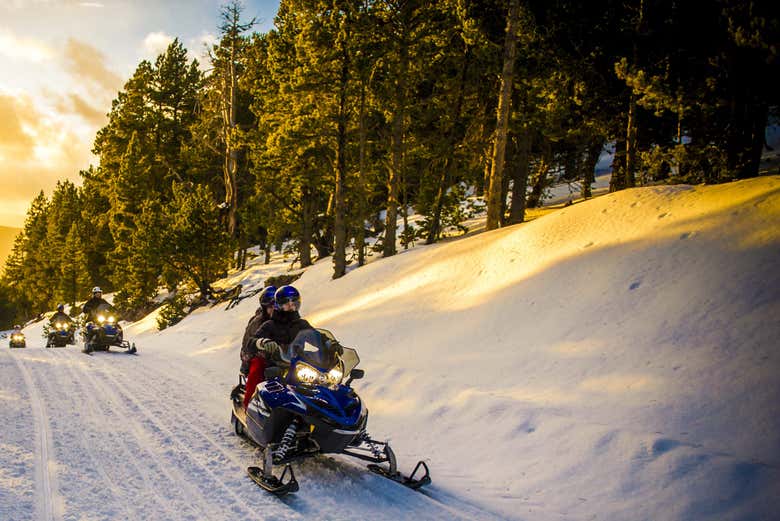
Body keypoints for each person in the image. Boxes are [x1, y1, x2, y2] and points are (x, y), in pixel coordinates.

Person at [242, 285, 312, 409]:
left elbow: (313, 336)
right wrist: (262, 345)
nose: (290, 306)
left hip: (293, 359)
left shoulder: (299, 323)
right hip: (267, 359)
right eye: (270, 306)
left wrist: (328, 344)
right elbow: (250, 343)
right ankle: (248, 407)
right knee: (257, 369)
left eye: (293, 302)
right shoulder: (262, 323)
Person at [239, 286, 277, 375]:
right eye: (270, 306)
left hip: (283, 359)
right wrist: (262, 344)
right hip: (257, 358)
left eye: (276, 305)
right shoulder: (257, 323)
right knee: (257, 367)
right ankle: (251, 389)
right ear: (265, 308)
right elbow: (248, 345)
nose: (274, 309)